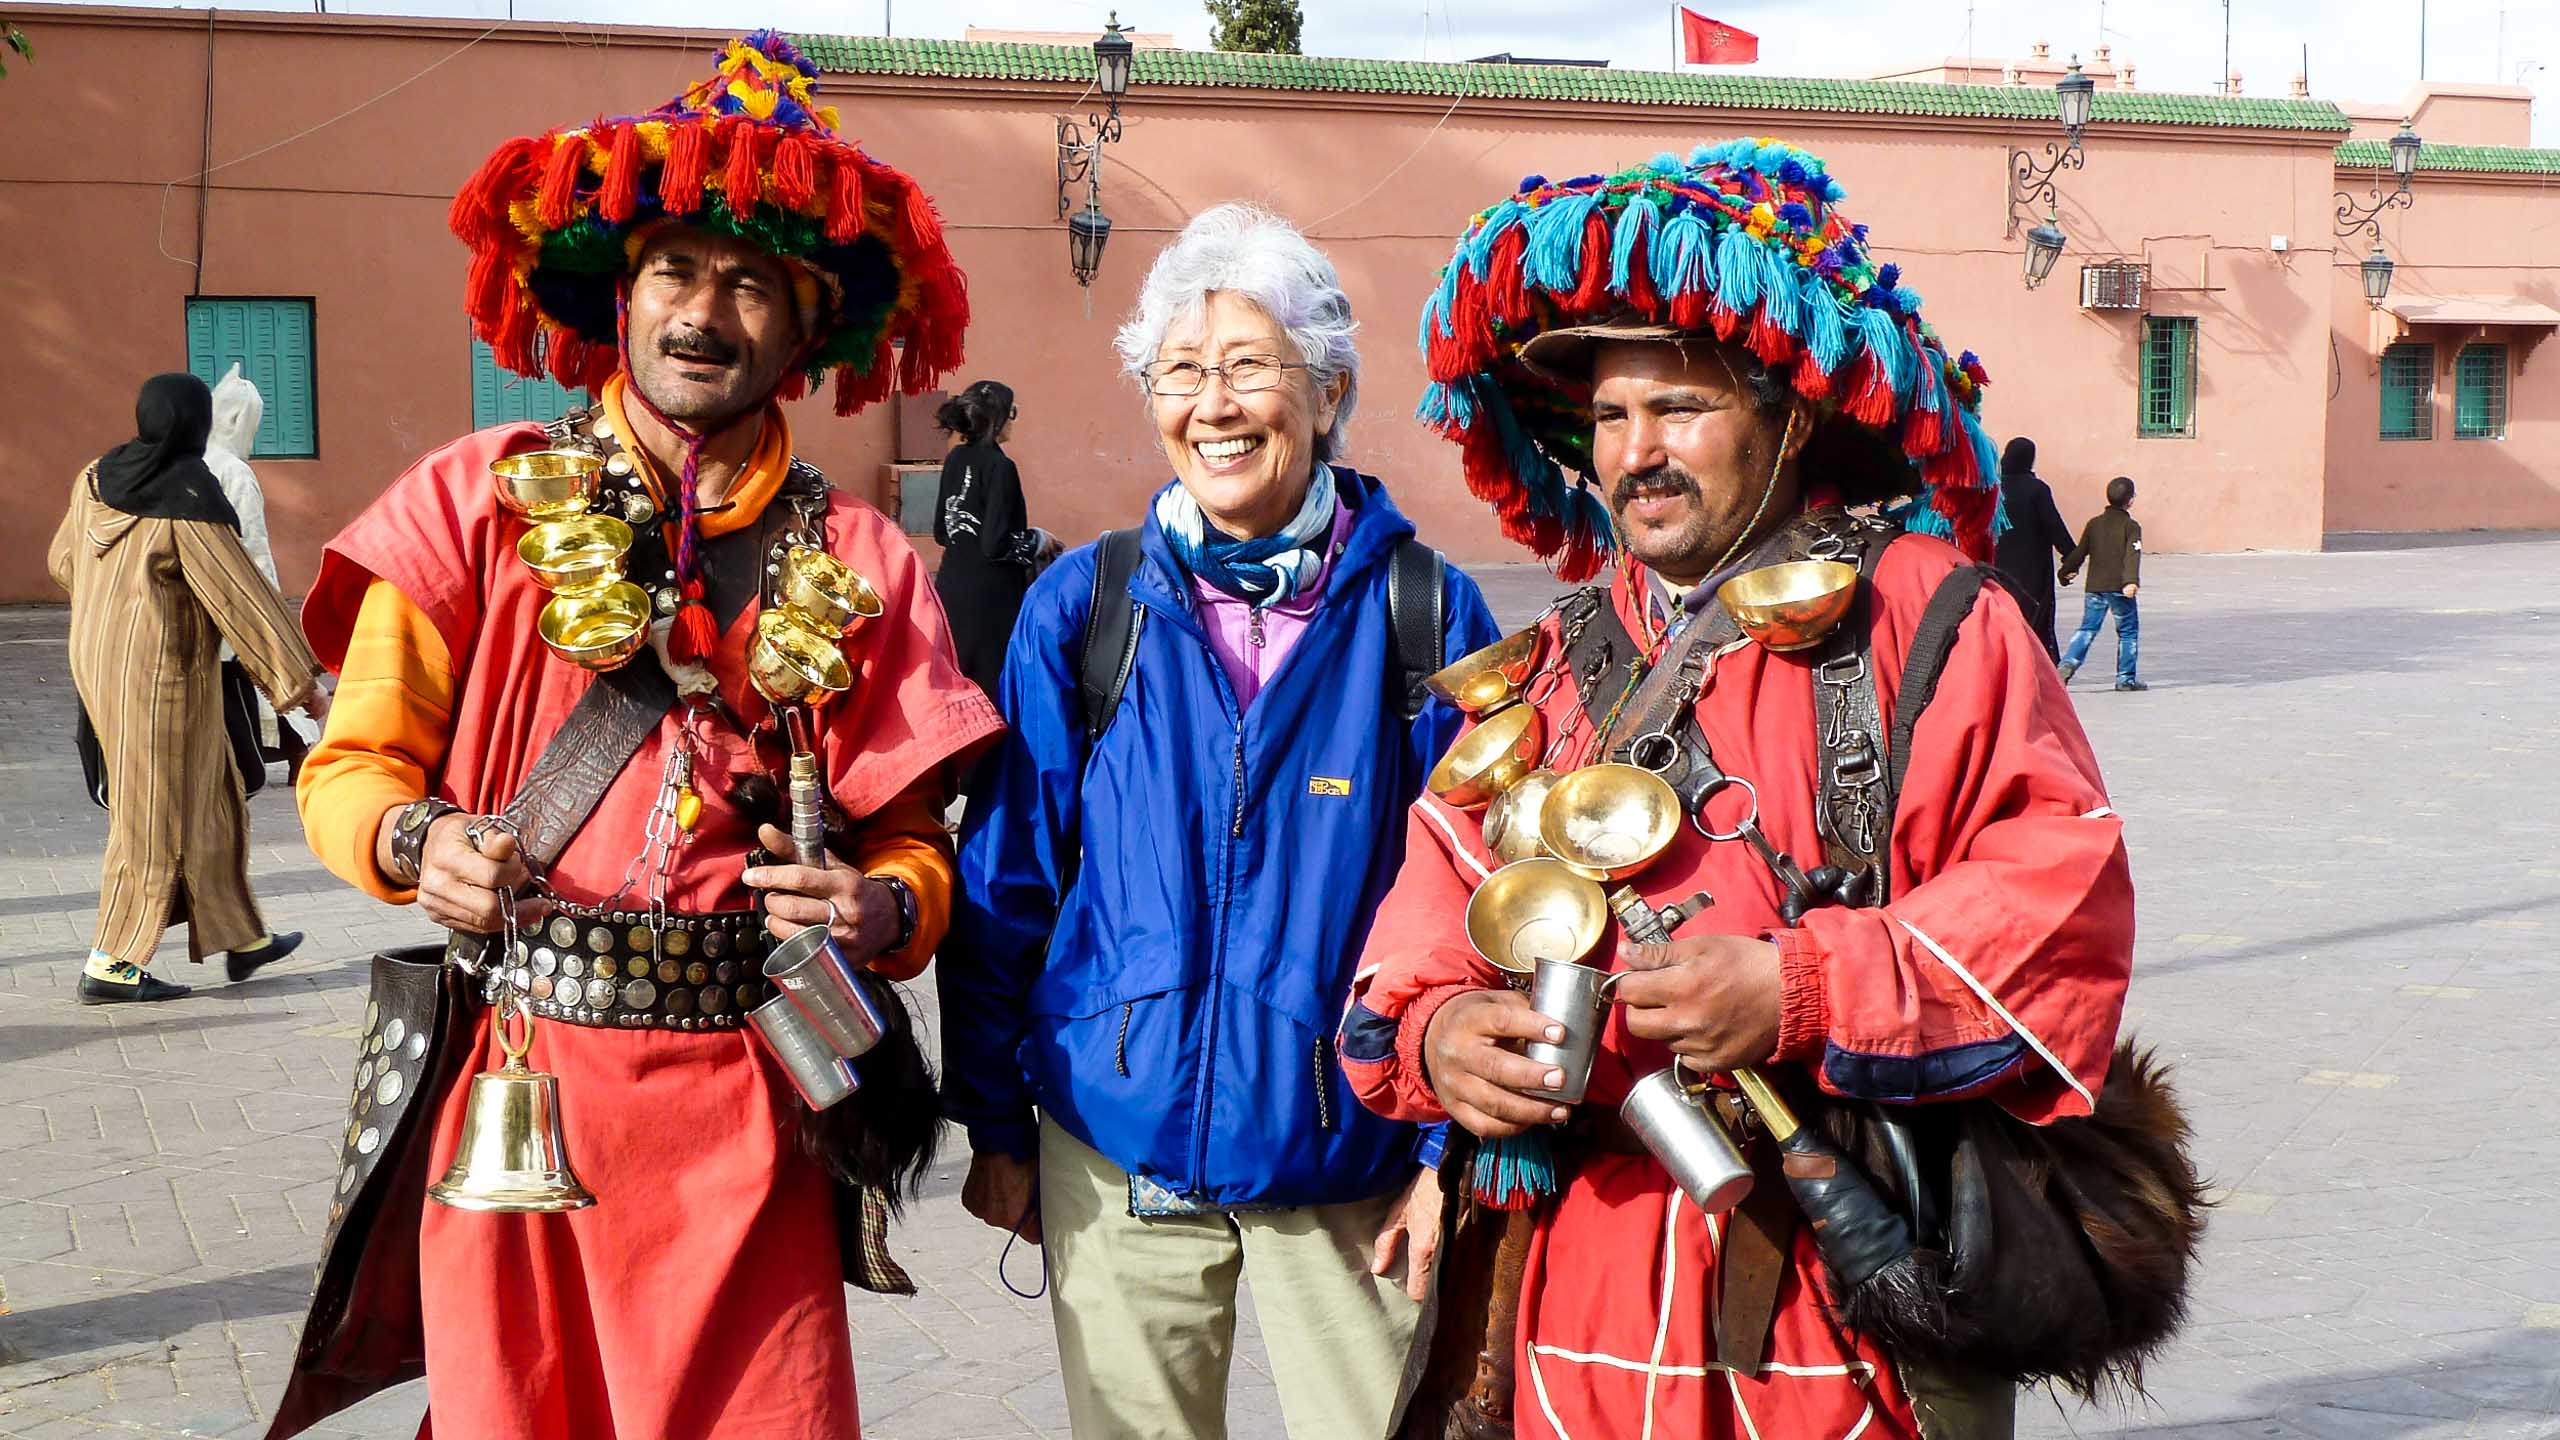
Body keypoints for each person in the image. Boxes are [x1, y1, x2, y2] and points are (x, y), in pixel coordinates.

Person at [1344, 142, 2137, 1438]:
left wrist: (1805, 987)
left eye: (1680, 408)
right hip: (1574, 1300)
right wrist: (1439, 1038)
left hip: (1844, 1281)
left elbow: (2063, 902)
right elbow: (1421, 930)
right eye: (1608, 417)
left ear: (1791, 412)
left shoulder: (1927, 626)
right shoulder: (1542, 674)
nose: (1636, 452)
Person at [267, 34, 993, 1440]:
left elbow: (915, 847)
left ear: (802, 326)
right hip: (522, 1090)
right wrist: (418, 843)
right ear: (624, 291)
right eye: (675, 269)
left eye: (747, 284)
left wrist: (881, 899)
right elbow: (349, 770)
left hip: (755, 1113)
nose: (703, 312)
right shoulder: (474, 502)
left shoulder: (865, 559)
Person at [940, 202, 1501, 1439]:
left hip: (1352, 1149)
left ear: (1328, 388)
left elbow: (1481, 902)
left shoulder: (1425, 611)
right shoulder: (1085, 607)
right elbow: (1008, 880)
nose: (1215, 404)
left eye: (1251, 366)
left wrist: (1443, 1163)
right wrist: (992, 1119)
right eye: (1181, 372)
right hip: (1112, 1134)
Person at [49, 372, 325, 1005]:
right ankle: (113, 961)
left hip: (102, 659)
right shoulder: (187, 495)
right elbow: (241, 596)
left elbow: (62, 561)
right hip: (161, 674)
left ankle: (241, 936)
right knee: (154, 811)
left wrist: (114, 604)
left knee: (210, 790)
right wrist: (301, 684)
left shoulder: (98, 475)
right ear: (198, 424)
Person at [203, 364, 309, 782]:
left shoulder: (195, 463)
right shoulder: (233, 471)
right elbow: (253, 544)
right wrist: (268, 601)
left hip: (203, 591)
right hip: (238, 594)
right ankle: (296, 747)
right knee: (264, 673)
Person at [931, 378, 1054, 699]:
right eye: (1011, 412)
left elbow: (941, 532)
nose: (1013, 420)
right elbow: (995, 544)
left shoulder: (955, 458)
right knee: (992, 690)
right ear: (998, 419)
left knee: (955, 686)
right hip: (990, 599)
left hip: (951, 587)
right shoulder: (1001, 467)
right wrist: (1039, 541)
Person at [1990, 436, 2074, 659]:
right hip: (2032, 567)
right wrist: (2071, 554)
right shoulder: (2036, 489)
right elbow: (2053, 524)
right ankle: (2033, 663)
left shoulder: (1994, 487)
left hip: (1997, 564)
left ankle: (2005, 660)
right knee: (2033, 616)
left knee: (2004, 613)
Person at [2059, 475, 2144, 690]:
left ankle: (2067, 664)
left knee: (2087, 628)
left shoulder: (2094, 524)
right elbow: (2133, 555)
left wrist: (2067, 570)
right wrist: (2131, 581)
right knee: (2127, 632)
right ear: (2131, 500)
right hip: (2119, 588)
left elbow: (2080, 551)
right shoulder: (2131, 526)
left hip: (2095, 587)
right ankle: (2125, 679)